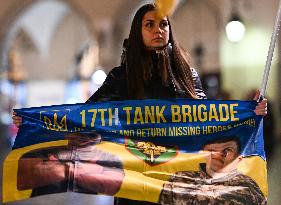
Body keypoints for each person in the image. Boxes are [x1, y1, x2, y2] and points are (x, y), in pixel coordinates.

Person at [12, 3, 267, 205]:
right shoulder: (120, 77)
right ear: (138, 32)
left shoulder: (186, 74)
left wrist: (249, 113)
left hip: (178, 179)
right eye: (150, 24)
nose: (159, 29)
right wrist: (33, 121)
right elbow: (85, 117)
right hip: (137, 178)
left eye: (164, 24)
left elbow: (207, 119)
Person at [159, 137, 267, 205]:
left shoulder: (249, 188)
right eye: (213, 149)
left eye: (227, 150)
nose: (218, 154)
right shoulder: (178, 180)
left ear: (238, 158)